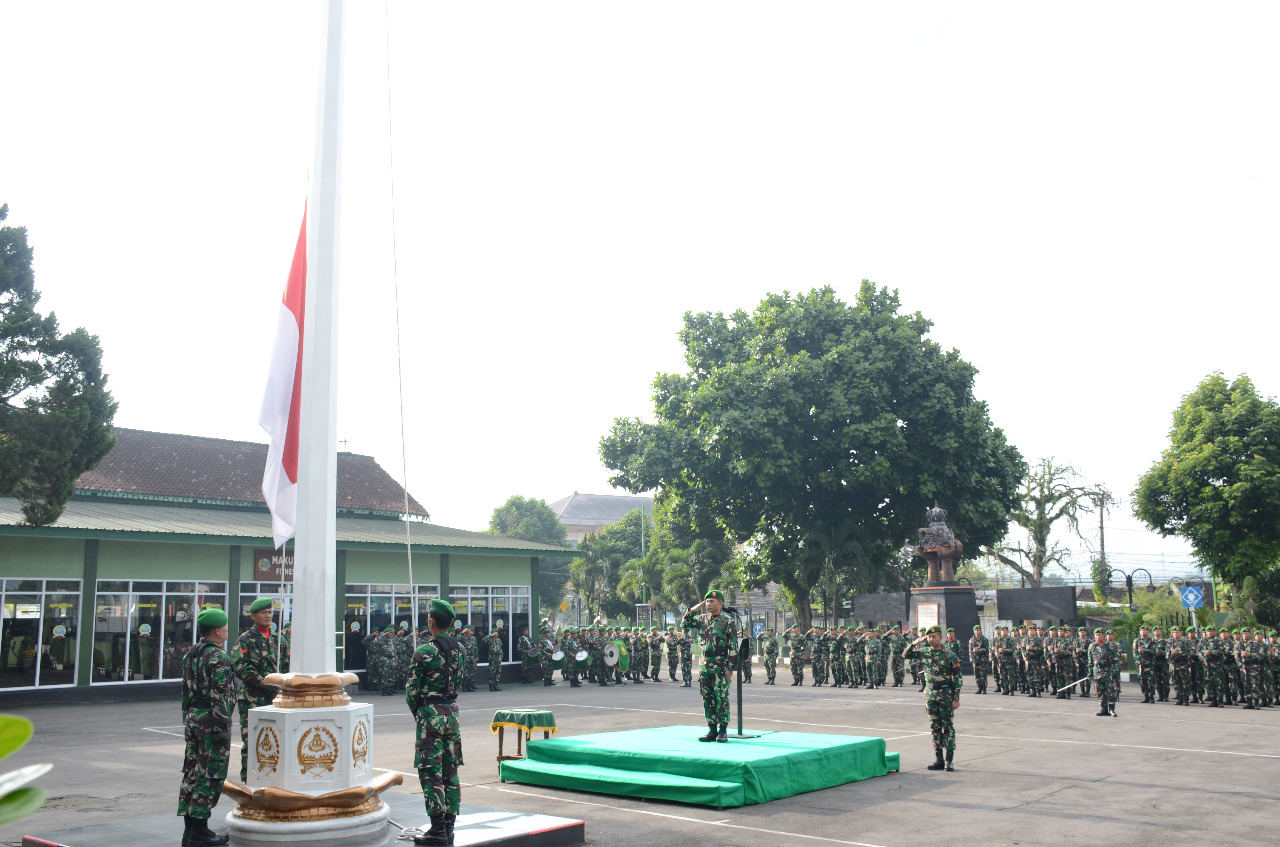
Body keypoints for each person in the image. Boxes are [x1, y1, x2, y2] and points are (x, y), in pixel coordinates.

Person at [406, 598, 465, 846]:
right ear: (450, 623)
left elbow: (411, 692)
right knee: (451, 771)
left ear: (431, 620)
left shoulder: (423, 652)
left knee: (431, 772)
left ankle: (438, 829)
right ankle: (449, 828)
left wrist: (421, 712)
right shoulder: (460, 649)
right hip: (452, 713)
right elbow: (460, 680)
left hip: (430, 715)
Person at [178, 608, 234, 847]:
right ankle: (199, 831)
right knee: (210, 774)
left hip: (193, 718)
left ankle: (190, 830)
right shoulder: (218, 657)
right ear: (217, 630)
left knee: (191, 773)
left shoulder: (190, 654)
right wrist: (222, 727)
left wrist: (187, 720)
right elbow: (220, 695)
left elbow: (185, 692)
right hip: (211, 722)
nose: (227, 631)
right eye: (225, 627)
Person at [231, 598, 289, 783]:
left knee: (277, 741)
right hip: (253, 699)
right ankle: (249, 781)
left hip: (278, 699)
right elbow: (240, 666)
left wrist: (284, 683)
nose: (268, 615)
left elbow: (287, 666)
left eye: (270, 612)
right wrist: (264, 682)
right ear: (253, 616)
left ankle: (273, 779)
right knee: (252, 741)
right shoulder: (245, 640)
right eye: (263, 613)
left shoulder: (279, 640)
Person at [903, 625, 961, 771]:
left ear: (941, 638)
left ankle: (949, 760)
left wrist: (956, 698)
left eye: (934, 637)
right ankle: (939, 759)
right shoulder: (924, 652)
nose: (931, 639)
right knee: (935, 727)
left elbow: (957, 677)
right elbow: (905, 655)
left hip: (946, 693)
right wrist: (915, 643)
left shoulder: (950, 655)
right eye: (929, 637)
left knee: (947, 726)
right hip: (930, 693)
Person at [682, 590, 737, 742]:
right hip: (705, 662)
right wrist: (693, 610)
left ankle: (723, 730)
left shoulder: (728, 620)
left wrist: (730, 667)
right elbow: (685, 623)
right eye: (707, 602)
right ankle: (712, 729)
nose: (708, 604)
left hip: (720, 663)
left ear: (721, 603)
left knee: (721, 697)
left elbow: (733, 645)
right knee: (707, 698)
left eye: (712, 601)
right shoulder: (701, 619)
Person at [969, 625, 991, 695]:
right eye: (975, 630)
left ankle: (984, 688)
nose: (977, 631)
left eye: (978, 630)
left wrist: (979, 650)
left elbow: (987, 649)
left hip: (983, 660)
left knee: (983, 675)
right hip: (975, 660)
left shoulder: (984, 639)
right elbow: (970, 650)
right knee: (977, 675)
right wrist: (971, 659)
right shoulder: (971, 640)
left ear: (980, 631)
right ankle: (979, 688)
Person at [485, 626, 504, 692]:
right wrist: (491, 635)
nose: (497, 634)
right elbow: (484, 640)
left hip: (498, 658)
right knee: (491, 672)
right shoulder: (490, 639)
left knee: (498, 672)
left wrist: (501, 656)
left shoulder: (498, 640)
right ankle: (491, 686)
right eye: (496, 633)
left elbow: (500, 648)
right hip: (492, 658)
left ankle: (496, 685)